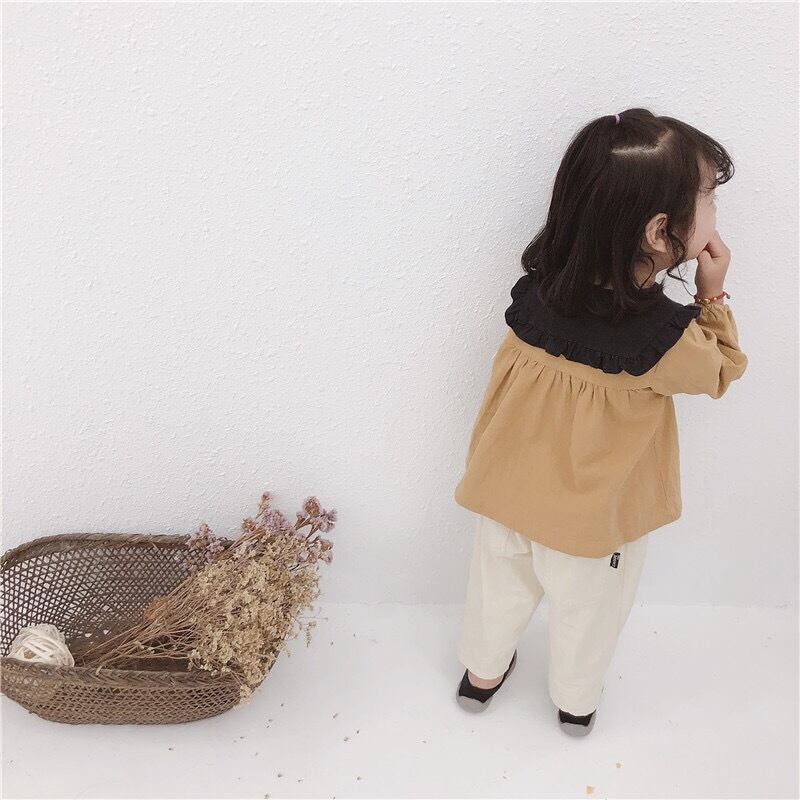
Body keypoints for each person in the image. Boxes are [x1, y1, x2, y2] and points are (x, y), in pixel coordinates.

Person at [452, 108, 748, 737]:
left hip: (504, 494)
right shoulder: (663, 338)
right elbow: (722, 371)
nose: (715, 209)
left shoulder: (533, 296)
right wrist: (711, 294)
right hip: (592, 522)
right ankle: (575, 703)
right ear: (660, 231)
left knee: (495, 591)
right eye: (709, 197)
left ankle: (480, 675)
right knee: (589, 614)